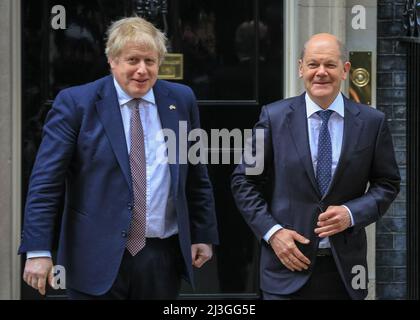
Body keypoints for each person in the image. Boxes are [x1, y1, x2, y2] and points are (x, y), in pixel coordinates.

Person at [19, 16, 218, 300]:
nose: (141, 70)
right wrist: (38, 250)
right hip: (93, 256)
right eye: (132, 60)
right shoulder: (77, 104)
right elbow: (45, 182)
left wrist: (202, 233)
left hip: (160, 257)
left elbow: (196, 175)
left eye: (150, 61)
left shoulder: (181, 100)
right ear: (112, 60)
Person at [231, 33, 400, 300]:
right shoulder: (273, 118)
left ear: (345, 70)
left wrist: (351, 213)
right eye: (313, 65)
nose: (321, 73)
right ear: (301, 68)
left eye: (330, 65)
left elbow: (387, 183)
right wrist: (273, 233)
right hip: (285, 267)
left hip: (343, 271)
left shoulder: (371, 122)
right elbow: (244, 181)